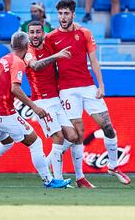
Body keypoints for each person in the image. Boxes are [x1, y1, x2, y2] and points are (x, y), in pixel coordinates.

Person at [0, 31, 71, 189]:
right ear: (27, 46)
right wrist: (35, 107)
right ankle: (48, 181)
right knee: (36, 142)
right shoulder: (18, 62)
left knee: (6, 142)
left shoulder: (3, 60)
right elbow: (15, 88)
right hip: (4, 113)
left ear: (11, 45)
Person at [45, 0, 131, 185]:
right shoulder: (51, 37)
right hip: (67, 91)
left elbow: (93, 61)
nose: (63, 17)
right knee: (78, 134)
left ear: (73, 14)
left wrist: (101, 85)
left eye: (66, 13)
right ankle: (80, 177)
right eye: (60, 13)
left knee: (107, 126)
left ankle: (113, 165)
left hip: (88, 87)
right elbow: (49, 66)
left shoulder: (84, 33)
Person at [23, 21, 97, 188]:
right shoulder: (29, 51)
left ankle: (47, 165)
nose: (35, 35)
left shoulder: (49, 44)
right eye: (32, 32)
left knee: (73, 137)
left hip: (56, 100)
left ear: (43, 33)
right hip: (42, 102)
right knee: (58, 138)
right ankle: (57, 179)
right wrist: (56, 56)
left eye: (37, 32)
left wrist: (76, 26)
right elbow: (35, 65)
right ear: (28, 35)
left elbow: (65, 31)